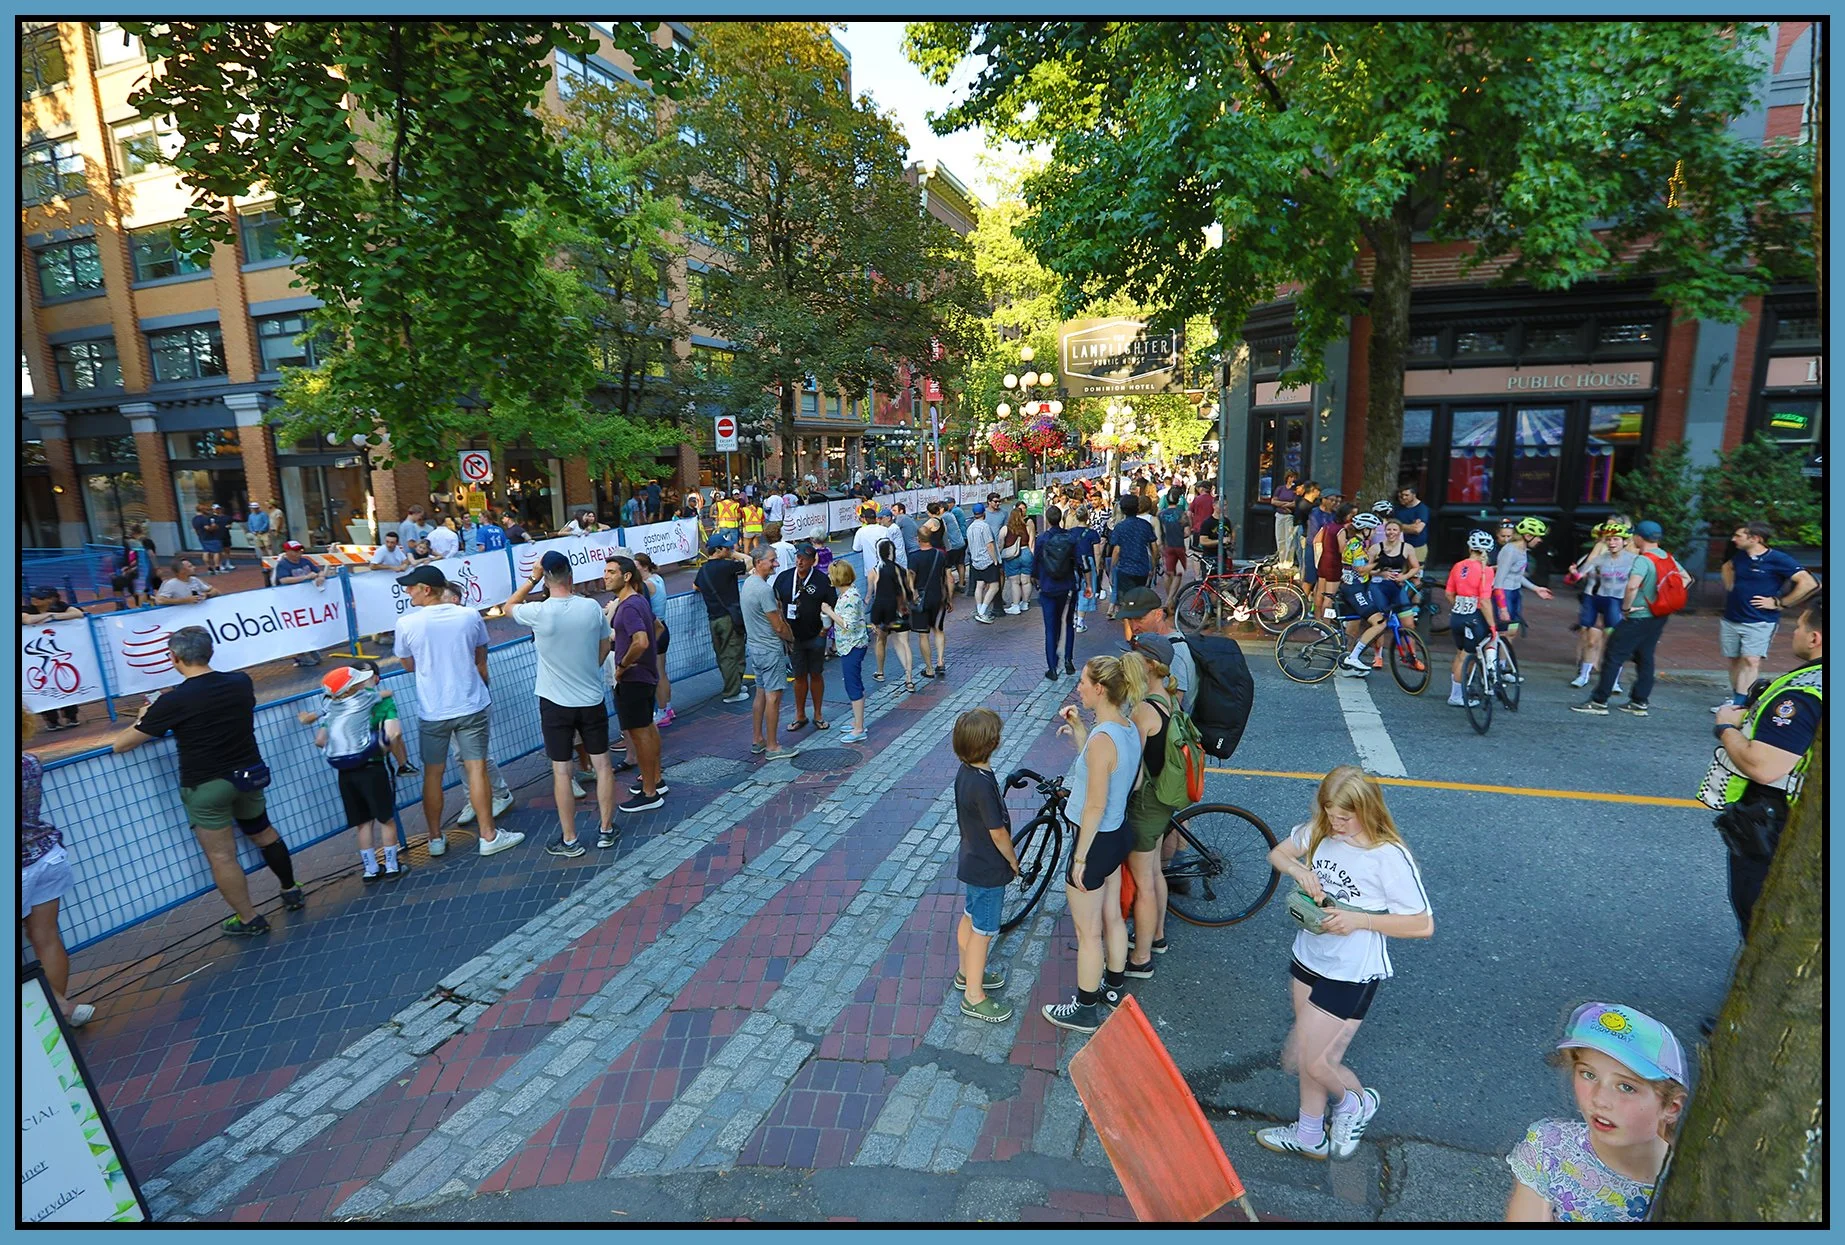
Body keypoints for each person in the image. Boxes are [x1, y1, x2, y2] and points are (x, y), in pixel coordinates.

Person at [1259, 766, 1433, 1160]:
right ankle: (1309, 1135)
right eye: (1329, 814)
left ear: (1368, 810)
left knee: (1308, 1058)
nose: (1335, 824)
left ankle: (1356, 1101)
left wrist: (1359, 920)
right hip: (1309, 955)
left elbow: (1423, 924)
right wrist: (1300, 870)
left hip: (1352, 971)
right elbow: (1278, 853)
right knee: (1314, 1057)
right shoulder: (1320, 830)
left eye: (1344, 817)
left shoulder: (1387, 856)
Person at [111, 626, 307, 934]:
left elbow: (121, 744)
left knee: (221, 855)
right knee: (263, 832)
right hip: (248, 775)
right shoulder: (240, 682)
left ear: (173, 658)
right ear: (210, 652)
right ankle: (289, 889)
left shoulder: (174, 701)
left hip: (206, 785)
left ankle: (249, 919)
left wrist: (143, 716)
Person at [1504, 1003, 1688, 1222]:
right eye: (1588, 1074)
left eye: (1626, 1087)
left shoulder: (1697, 1184)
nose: (1600, 1099)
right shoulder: (1550, 1148)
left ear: (1671, 1107)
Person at [1041, 654, 1146, 1035]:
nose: (1079, 688)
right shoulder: (1126, 727)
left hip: (1097, 841)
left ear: (1100, 689)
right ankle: (1114, 988)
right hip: (1119, 835)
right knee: (1113, 917)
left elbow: (1095, 804)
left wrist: (1081, 857)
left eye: (1084, 682)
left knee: (1087, 933)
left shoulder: (1105, 738)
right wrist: (1080, 731)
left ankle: (1085, 1008)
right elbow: (1122, 780)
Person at [1706, 602, 1822, 937]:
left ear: (1815, 638)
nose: (1793, 632)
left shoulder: (1802, 694)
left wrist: (1726, 728)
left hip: (1774, 819)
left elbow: (1764, 766)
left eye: (1798, 627)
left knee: (1757, 912)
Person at [392, 566, 523, 858]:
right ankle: (488, 835)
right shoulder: (468, 615)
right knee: (476, 769)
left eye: (411, 587)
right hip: (470, 702)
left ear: (426, 589)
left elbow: (408, 665)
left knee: (433, 775)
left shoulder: (406, 624)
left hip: (433, 709)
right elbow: (480, 655)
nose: (407, 591)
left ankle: (435, 838)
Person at [503, 550, 619, 855]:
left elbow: (508, 607)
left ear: (547, 579)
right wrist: (590, 668)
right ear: (571, 576)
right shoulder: (591, 608)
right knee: (603, 765)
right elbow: (605, 644)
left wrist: (532, 577)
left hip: (555, 701)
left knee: (562, 771)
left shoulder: (539, 612)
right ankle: (606, 830)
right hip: (590, 697)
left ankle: (570, 839)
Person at [1572, 520, 1690, 717]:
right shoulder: (1667, 557)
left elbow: (1632, 586)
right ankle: (1639, 701)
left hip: (1639, 615)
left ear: (1639, 537)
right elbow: (1686, 578)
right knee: (1645, 657)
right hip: (1659, 616)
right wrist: (1664, 599)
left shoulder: (1643, 560)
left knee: (1613, 654)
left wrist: (1626, 608)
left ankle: (1599, 701)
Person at [22, 707, 94, 1025]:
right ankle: (59, 1011)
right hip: (45, 855)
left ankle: (53, 1013)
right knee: (47, 937)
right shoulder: (29, 763)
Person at [302, 665, 406, 882]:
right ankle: (392, 866)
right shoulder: (370, 701)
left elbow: (320, 740)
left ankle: (370, 869)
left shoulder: (332, 708)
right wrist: (382, 746)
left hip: (346, 773)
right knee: (386, 818)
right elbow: (393, 732)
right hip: (372, 768)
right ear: (351, 689)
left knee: (363, 822)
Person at [953, 707, 1020, 1024]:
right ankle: (974, 996)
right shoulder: (982, 783)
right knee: (983, 931)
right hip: (989, 868)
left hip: (971, 861)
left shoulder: (966, 773)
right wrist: (1012, 860)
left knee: (969, 918)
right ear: (991, 744)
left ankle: (966, 973)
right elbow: (998, 832)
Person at [1120, 650, 1183, 981]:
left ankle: (1141, 958)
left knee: (1144, 881)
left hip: (1146, 802)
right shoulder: (1169, 698)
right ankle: (1156, 936)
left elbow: (1135, 773)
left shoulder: (1145, 709)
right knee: (1155, 872)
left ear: (1150, 666)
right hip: (1164, 798)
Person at [1716, 521, 1818, 712]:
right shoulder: (1740, 555)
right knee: (1734, 659)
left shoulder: (1778, 559)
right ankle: (1737, 698)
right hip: (1732, 617)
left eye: (1739, 536)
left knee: (1751, 660)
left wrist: (1780, 602)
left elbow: (1809, 582)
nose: (1733, 539)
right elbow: (1727, 567)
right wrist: (1731, 588)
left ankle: (1741, 704)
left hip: (1759, 620)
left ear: (1755, 539)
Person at [603, 556, 666, 813]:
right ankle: (656, 781)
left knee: (640, 736)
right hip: (646, 675)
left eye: (611, 572)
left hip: (634, 679)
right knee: (648, 730)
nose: (605, 576)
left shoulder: (628, 607)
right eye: (605, 572)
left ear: (626, 576)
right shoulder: (638, 600)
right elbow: (658, 628)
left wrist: (624, 665)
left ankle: (649, 792)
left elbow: (641, 640)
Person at [740, 544, 798, 760]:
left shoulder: (749, 584)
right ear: (758, 563)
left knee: (762, 693)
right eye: (772, 560)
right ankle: (773, 746)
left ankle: (758, 739)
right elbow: (779, 625)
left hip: (755, 647)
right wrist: (792, 639)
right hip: (769, 649)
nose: (776, 563)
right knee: (773, 696)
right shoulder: (764, 590)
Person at [775, 542, 837, 730]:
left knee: (816, 674)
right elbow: (776, 604)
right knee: (799, 676)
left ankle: (818, 714)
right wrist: (783, 631)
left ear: (813, 561)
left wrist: (824, 631)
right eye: (798, 557)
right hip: (794, 638)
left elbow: (832, 607)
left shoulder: (821, 580)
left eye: (805, 558)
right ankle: (800, 715)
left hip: (816, 635)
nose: (800, 561)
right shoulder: (784, 578)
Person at [1567, 523, 1634, 691]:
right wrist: (1573, 573)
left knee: (1614, 643)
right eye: (1609, 540)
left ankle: (1614, 681)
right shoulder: (1599, 559)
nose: (1612, 543)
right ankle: (1583, 675)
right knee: (1591, 641)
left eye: (1616, 539)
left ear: (1625, 541)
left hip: (1616, 601)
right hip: (1595, 600)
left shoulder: (1633, 560)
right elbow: (1576, 577)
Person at [1444, 530, 1500, 707]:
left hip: (1458, 615)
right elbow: (1484, 601)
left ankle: (1457, 692)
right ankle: (1461, 694)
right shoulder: (1486, 570)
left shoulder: (1458, 565)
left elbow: (1448, 593)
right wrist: (1492, 626)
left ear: (1470, 546)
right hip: (1474, 616)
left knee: (1461, 655)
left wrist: (1459, 606)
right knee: (1484, 643)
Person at [695, 536, 752, 703]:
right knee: (733, 653)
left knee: (723, 654)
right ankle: (732, 692)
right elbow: (749, 562)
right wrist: (735, 554)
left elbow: (696, 586)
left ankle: (733, 684)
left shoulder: (703, 570)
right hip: (729, 617)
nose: (729, 550)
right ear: (719, 550)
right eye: (726, 548)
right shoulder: (726, 566)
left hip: (713, 618)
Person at [824, 561, 871, 743]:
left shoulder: (849, 597)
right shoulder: (849, 593)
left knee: (853, 685)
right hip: (850, 645)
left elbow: (848, 624)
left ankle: (859, 728)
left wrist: (829, 611)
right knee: (854, 683)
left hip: (852, 645)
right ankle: (856, 721)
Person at [1336, 512, 1389, 676]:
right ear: (1364, 530)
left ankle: (1348, 665)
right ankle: (1353, 657)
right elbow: (1360, 569)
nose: (1374, 533)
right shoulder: (1357, 546)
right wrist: (1379, 565)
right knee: (1380, 623)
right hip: (1355, 590)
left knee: (1353, 627)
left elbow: (1360, 571)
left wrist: (1380, 572)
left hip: (1351, 587)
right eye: (1372, 530)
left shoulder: (1354, 543)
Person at [1034, 505, 1080, 679]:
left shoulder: (1042, 539)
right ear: (1060, 518)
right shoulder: (1070, 537)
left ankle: (1052, 666)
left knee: (1050, 627)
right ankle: (1068, 659)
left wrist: (1036, 578)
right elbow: (1077, 561)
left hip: (1048, 586)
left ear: (1047, 519)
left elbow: (1036, 562)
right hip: (1066, 585)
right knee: (1068, 623)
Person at [867, 536, 918, 692]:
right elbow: (912, 594)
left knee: (881, 641)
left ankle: (880, 671)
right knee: (903, 643)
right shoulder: (903, 571)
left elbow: (870, 596)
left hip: (882, 614)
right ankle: (909, 678)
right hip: (900, 613)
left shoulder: (874, 572)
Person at [631, 552, 675, 728]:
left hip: (655, 630)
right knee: (662, 672)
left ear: (643, 566)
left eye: (635, 566)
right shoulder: (658, 578)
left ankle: (663, 711)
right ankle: (668, 707)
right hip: (663, 627)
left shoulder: (646, 585)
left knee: (657, 674)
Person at [1494, 517, 1555, 637]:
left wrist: (1536, 588)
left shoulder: (1522, 550)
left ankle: (1504, 655)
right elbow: (1499, 581)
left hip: (1515, 592)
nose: (1540, 540)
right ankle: (1494, 654)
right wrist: (1503, 608)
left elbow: (1517, 575)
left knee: (1512, 631)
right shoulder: (1510, 551)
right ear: (1527, 536)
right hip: (1505, 594)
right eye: (1537, 536)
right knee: (1502, 632)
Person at [1105, 495, 1157, 622]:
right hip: (1142, 567)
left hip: (1125, 569)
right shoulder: (1145, 525)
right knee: (1139, 597)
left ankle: (1131, 628)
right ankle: (1139, 624)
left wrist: (1112, 567)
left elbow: (1117, 550)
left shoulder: (1120, 527)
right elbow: (1154, 548)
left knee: (1127, 601)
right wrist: (1154, 565)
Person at [964, 503, 1001, 623]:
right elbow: (989, 544)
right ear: (983, 513)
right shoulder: (984, 527)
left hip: (975, 561)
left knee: (979, 585)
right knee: (994, 586)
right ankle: (982, 611)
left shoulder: (970, 527)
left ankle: (979, 608)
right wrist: (995, 559)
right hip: (987, 560)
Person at [1001, 506, 1035, 615]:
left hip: (1012, 556)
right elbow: (1032, 543)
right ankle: (1025, 603)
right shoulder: (1027, 526)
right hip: (1026, 553)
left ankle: (1015, 605)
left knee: (1014, 582)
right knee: (1026, 581)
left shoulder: (1006, 528)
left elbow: (1000, 543)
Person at [1157, 484, 1190, 591]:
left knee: (1167, 572)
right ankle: (1171, 598)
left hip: (1165, 545)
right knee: (1178, 572)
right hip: (1178, 544)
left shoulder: (1161, 515)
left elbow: (1157, 532)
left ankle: (1168, 597)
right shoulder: (1182, 514)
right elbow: (1187, 532)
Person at [1393, 485, 1430, 564]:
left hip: (1416, 547)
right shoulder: (1398, 508)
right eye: (1401, 495)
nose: (1403, 497)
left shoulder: (1422, 509)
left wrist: (1397, 526)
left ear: (1414, 495)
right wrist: (1410, 527)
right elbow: (1389, 525)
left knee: (1416, 573)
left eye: (1406, 495)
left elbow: (1417, 529)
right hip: (1399, 546)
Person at [1271, 472, 1299, 567]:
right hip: (1279, 515)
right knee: (1280, 538)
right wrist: (1285, 505)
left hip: (1289, 516)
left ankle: (1288, 561)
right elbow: (1273, 501)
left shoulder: (1295, 490)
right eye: (1291, 477)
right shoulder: (1280, 488)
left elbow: (1294, 504)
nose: (1292, 479)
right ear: (1287, 478)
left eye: (1294, 477)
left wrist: (1281, 504)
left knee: (1289, 539)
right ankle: (1281, 560)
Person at [191, 502, 225, 575]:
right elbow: (207, 528)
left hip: (202, 537)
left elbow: (195, 529)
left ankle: (209, 568)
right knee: (216, 552)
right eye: (205, 509)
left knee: (206, 552)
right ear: (202, 510)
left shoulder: (194, 519)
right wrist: (214, 526)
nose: (207, 511)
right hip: (211, 537)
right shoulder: (204, 518)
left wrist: (200, 535)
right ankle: (217, 568)